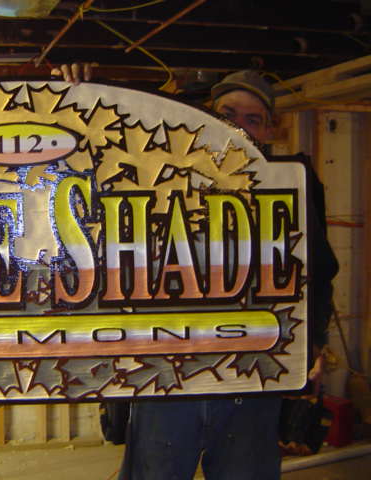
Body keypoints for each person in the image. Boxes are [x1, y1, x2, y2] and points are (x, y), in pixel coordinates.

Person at [55, 66, 338, 479]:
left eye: (252, 118)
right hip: (168, 373)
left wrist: (314, 345)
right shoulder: (158, 174)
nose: (237, 126)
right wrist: (73, 95)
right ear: (206, 117)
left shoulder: (292, 184)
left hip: (253, 372)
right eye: (226, 113)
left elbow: (319, 270)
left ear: (268, 130)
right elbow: (89, 163)